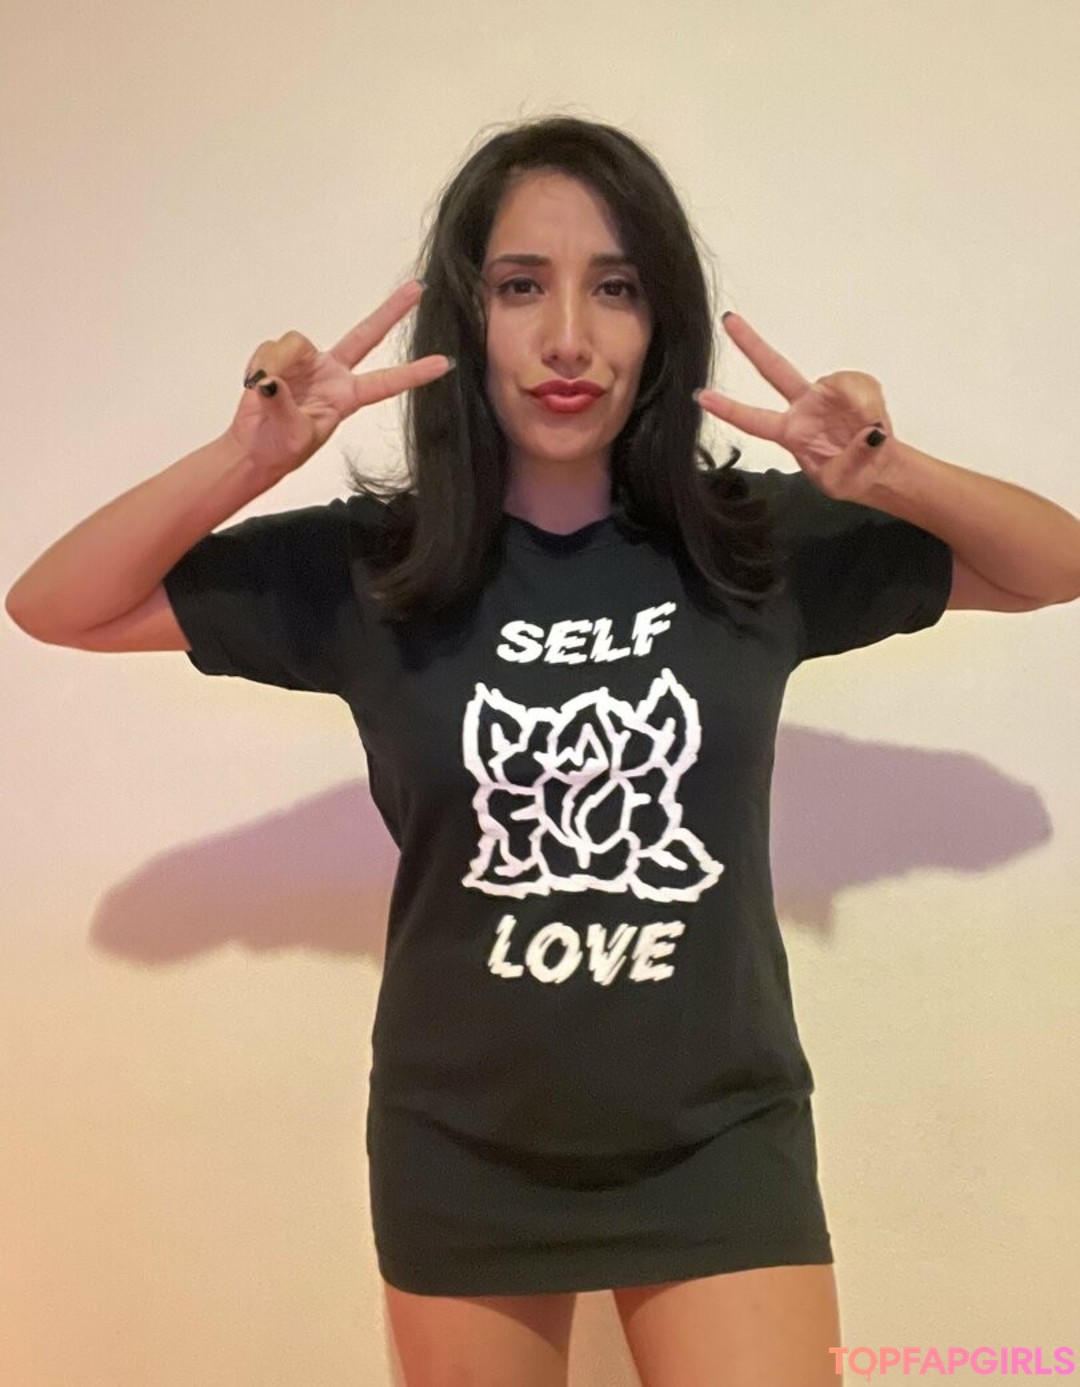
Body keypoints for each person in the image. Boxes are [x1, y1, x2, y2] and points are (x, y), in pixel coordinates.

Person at [7, 115, 1079, 1387]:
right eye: (522, 286)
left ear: (660, 323)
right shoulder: (375, 567)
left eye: (615, 288)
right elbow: (56, 603)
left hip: (719, 1141)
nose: (569, 337)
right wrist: (249, 456)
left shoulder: (754, 545)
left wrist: (885, 473)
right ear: (468, 318)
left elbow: (1052, 565)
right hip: (462, 1149)